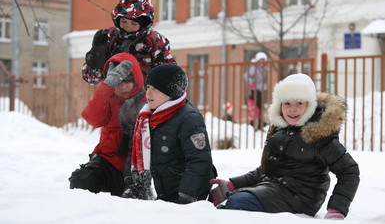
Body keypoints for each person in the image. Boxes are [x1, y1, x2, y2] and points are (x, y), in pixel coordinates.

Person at [210, 73, 360, 219]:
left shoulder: (318, 136)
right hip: (275, 189)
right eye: (287, 103)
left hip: (302, 197)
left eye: (299, 103)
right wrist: (232, 185)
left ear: (310, 105)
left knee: (239, 202)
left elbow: (349, 170)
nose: (292, 109)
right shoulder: (281, 130)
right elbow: (267, 169)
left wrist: (337, 209)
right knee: (226, 202)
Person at [121, 63, 216, 204]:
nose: (149, 93)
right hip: (164, 194)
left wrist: (186, 197)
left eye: (156, 89)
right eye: (148, 87)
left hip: (187, 195)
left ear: (171, 91)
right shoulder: (145, 117)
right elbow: (134, 151)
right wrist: (133, 183)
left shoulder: (189, 118)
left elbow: (199, 161)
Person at [69, 53, 146, 196]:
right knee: (81, 180)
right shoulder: (108, 98)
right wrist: (105, 88)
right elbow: (93, 119)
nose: (122, 87)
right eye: (117, 83)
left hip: (133, 167)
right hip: (106, 160)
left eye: (127, 81)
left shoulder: (146, 101)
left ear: (136, 80)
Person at [82, 0, 175, 85]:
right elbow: (90, 78)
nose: (128, 27)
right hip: (112, 96)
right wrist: (95, 62)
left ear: (144, 24)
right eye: (123, 21)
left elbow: (169, 80)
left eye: (134, 23)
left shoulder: (155, 42)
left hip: (145, 97)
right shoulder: (109, 37)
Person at [244, 52, 268, 129]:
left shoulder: (260, 68)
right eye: (261, 61)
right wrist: (252, 84)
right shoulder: (254, 67)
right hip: (255, 90)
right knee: (258, 107)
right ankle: (258, 124)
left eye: (263, 61)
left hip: (258, 90)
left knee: (259, 107)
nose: (262, 63)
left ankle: (258, 123)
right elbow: (246, 76)